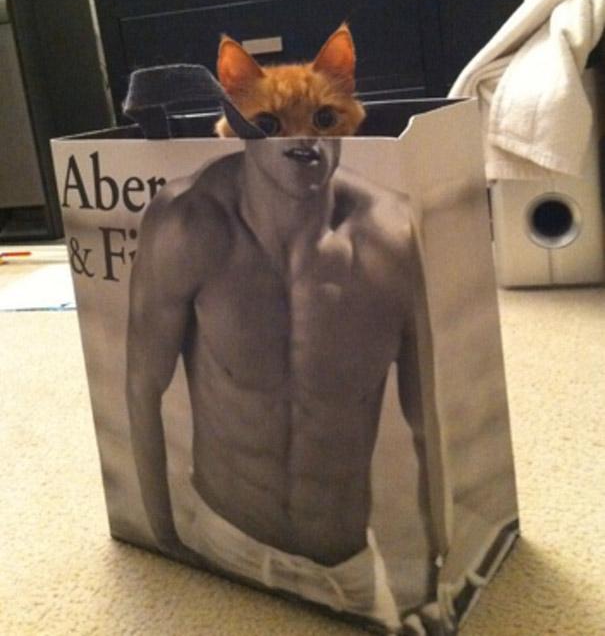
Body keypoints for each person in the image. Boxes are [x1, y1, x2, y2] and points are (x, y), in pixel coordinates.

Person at [126, 138, 438, 633]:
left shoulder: (393, 234)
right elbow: (142, 385)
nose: (302, 133)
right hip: (227, 543)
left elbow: (429, 425)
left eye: (321, 114)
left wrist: (437, 582)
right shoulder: (191, 222)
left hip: (348, 569)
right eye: (278, 116)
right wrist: (164, 542)